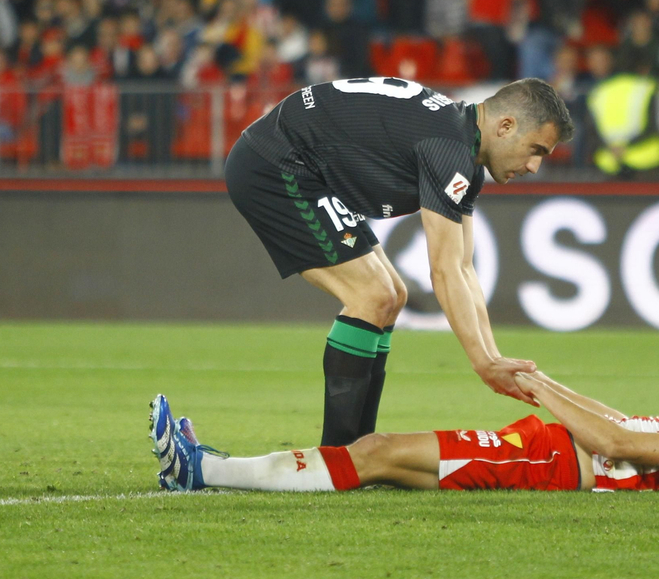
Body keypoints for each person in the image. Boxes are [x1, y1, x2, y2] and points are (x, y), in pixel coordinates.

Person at [225, 77, 573, 446]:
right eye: (536, 149)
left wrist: (492, 356)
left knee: (392, 295)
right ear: (506, 126)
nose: (534, 166)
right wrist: (482, 363)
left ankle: (360, 451)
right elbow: (442, 270)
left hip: (302, 164)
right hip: (274, 163)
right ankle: (339, 457)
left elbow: (463, 268)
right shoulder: (449, 147)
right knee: (372, 296)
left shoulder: (462, 150)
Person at [151, 331, 659, 494]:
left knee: (379, 451)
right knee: (388, 466)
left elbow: (618, 444)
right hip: (548, 444)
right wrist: (540, 379)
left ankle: (202, 469)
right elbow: (623, 420)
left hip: (552, 461)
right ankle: (209, 467)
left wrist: (540, 396)